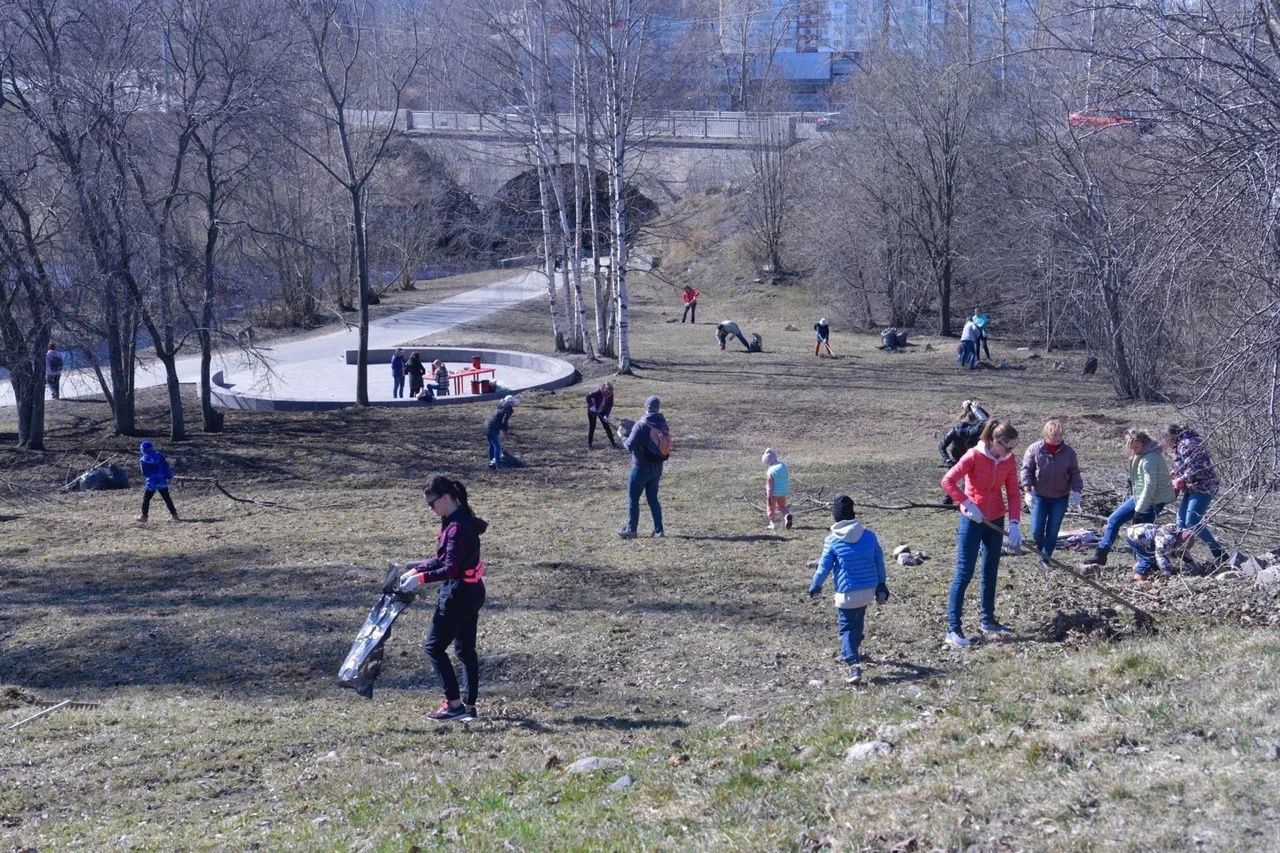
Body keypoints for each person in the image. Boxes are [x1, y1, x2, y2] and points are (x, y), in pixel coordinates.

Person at [393, 476, 487, 721]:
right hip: (473, 591)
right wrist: (417, 569)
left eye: (431, 504)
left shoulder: (456, 528)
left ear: (445, 498)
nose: (431, 509)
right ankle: (468, 706)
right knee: (466, 650)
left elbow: (450, 569)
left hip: (457, 594)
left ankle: (454, 705)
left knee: (433, 647)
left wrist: (419, 580)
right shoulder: (458, 520)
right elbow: (443, 559)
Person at [940, 419, 1022, 647]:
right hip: (972, 518)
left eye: (1013, 448)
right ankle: (953, 629)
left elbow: (1014, 493)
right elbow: (947, 481)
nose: (1011, 452)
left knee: (990, 568)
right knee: (965, 571)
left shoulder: (1008, 459)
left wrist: (1014, 522)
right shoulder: (973, 456)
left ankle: (987, 620)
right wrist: (966, 503)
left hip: (995, 517)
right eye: (1008, 447)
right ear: (995, 441)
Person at [807, 495, 889, 685]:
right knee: (858, 620)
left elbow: (824, 567)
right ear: (853, 515)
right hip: (868, 590)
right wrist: (882, 584)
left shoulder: (832, 540)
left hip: (846, 593)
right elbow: (879, 561)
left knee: (846, 628)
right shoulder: (869, 535)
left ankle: (853, 662)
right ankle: (852, 647)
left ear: (835, 518)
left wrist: (815, 584)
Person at [1083, 429, 1175, 567]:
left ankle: (1147, 564)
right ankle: (1101, 554)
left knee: (1144, 533)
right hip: (1139, 496)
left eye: (1137, 447)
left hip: (1154, 499)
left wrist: (1140, 510)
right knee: (1114, 519)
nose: (1134, 450)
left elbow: (1150, 486)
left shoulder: (1151, 458)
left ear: (1145, 443)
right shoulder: (1140, 454)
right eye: (1132, 447)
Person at [1163, 424, 1225, 564]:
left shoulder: (1187, 444)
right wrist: (1172, 474)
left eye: (1165, 438)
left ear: (1171, 437)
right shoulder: (1180, 445)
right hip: (1193, 487)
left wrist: (1180, 479)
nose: (1165, 442)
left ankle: (1219, 554)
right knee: (1181, 520)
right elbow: (1184, 465)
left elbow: (1197, 469)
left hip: (1204, 486)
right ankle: (1183, 554)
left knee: (1192, 520)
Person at [1020, 420, 1083, 558]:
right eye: (1054, 435)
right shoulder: (1034, 449)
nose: (1058, 438)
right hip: (1039, 496)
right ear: (1047, 434)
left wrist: (1077, 490)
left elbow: (1074, 472)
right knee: (1037, 529)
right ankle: (1041, 551)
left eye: (1060, 434)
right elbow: (1026, 471)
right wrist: (1027, 490)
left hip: (1060, 497)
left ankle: (1045, 557)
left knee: (1053, 530)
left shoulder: (1069, 452)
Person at [618, 395, 669, 539]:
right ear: (658, 408)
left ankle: (631, 529)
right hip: (657, 468)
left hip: (640, 468)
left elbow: (629, 446)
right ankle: (659, 530)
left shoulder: (640, 424)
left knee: (633, 499)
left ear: (646, 407)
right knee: (653, 498)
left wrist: (622, 436)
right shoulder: (663, 424)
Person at [1126, 522, 1197, 581]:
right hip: (1137, 536)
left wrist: (1192, 564)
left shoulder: (1179, 532)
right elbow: (1160, 556)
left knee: (1154, 563)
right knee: (1148, 559)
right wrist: (1167, 574)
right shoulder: (1166, 539)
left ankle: (1138, 567)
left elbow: (1182, 552)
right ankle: (1138, 578)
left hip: (1140, 532)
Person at [137, 440, 179, 522]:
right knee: (167, 498)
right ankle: (174, 515)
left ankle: (144, 516)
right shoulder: (159, 456)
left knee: (146, 499)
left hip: (151, 482)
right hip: (161, 480)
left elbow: (144, 473)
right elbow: (166, 467)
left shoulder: (143, 460)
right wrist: (170, 477)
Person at [938, 400, 990, 465]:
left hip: (971, 461)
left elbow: (986, 419)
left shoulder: (960, 429)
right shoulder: (965, 430)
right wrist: (977, 410)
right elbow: (985, 420)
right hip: (958, 460)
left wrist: (976, 409)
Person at [762, 448, 793, 530]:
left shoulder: (770, 471)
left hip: (774, 493)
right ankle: (787, 516)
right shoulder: (783, 465)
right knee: (782, 507)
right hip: (783, 491)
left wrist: (769, 495)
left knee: (771, 508)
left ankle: (772, 523)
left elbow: (770, 485)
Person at [485, 395, 518, 470]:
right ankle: (498, 465)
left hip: (487, 425)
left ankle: (492, 462)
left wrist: (504, 431)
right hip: (492, 428)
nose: (514, 404)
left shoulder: (501, 406)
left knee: (492, 446)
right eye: (513, 402)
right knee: (497, 447)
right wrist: (506, 432)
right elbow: (504, 422)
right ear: (510, 403)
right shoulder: (508, 409)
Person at [585, 381, 617, 449]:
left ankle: (613, 443)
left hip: (602, 411)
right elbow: (588, 396)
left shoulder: (610, 394)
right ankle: (589, 444)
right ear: (605, 389)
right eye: (608, 392)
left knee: (607, 427)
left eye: (610, 392)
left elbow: (610, 406)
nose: (609, 393)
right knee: (592, 427)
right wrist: (591, 406)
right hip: (593, 411)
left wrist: (606, 415)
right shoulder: (597, 391)